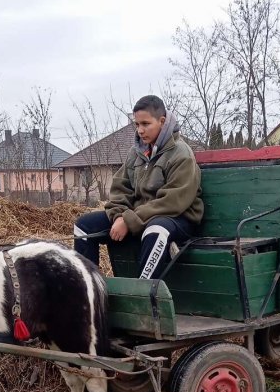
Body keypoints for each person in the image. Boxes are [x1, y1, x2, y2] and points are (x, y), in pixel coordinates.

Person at [73, 95, 203, 280]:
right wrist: (119, 216)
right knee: (84, 226)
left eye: (145, 124)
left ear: (162, 121)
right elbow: (120, 189)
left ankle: (143, 296)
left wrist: (129, 220)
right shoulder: (136, 153)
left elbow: (172, 201)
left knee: (156, 230)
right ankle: (90, 288)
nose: (140, 130)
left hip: (177, 218)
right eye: (137, 124)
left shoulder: (181, 154)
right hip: (138, 217)